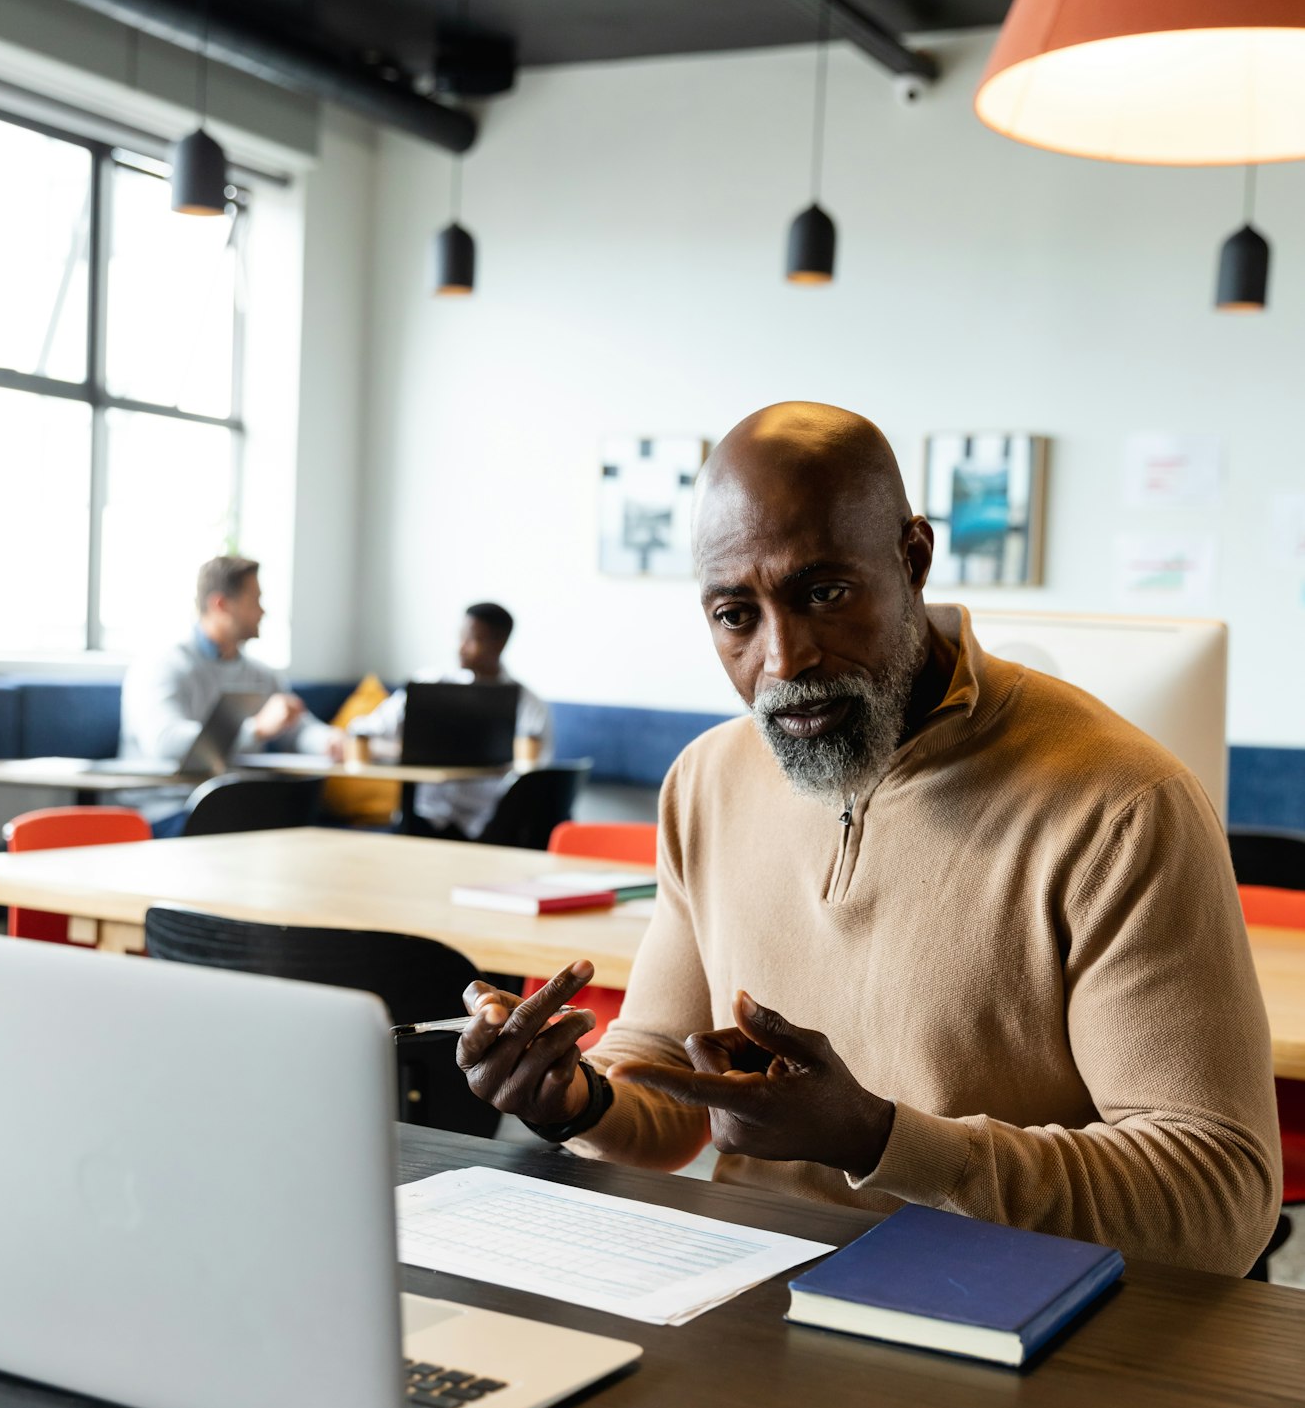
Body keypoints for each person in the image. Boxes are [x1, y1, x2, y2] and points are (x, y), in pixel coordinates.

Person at [450, 402, 1281, 1275]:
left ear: (913, 559)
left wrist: (882, 1139)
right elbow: (661, 1086)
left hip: (1008, 1320)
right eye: (736, 615)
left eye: (823, 594)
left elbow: (1218, 1200)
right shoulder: (705, 779)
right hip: (752, 1298)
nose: (783, 659)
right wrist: (570, 1097)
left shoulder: (1120, 805)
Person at [119, 555, 343, 835]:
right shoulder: (163, 665)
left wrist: (331, 741)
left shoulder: (261, 675)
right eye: (255, 601)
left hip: (235, 808)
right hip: (169, 810)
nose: (263, 612)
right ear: (221, 605)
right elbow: (167, 742)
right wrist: (256, 730)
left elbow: (298, 728)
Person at [349, 602, 552, 839]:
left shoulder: (528, 705)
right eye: (460, 637)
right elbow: (364, 730)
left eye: (472, 639)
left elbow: (533, 775)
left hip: (490, 825)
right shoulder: (430, 685)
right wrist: (402, 751)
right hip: (425, 818)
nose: (461, 648)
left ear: (499, 644)